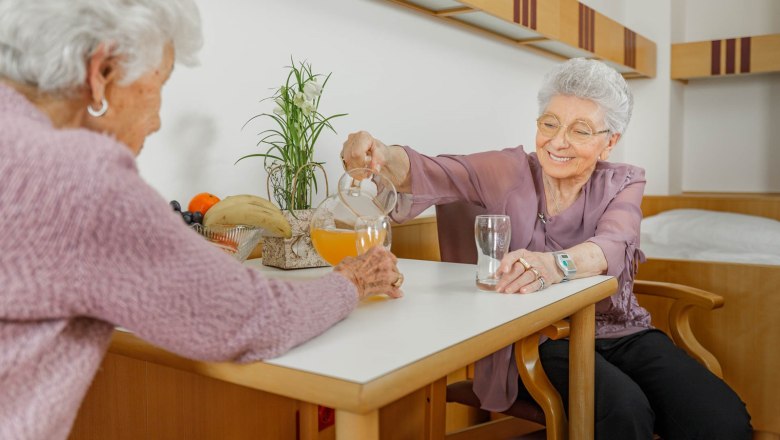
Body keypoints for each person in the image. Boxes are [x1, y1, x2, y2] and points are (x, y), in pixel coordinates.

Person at [0, 1, 403, 438]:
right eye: (160, 83)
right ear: (103, 71)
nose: (157, 121)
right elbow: (249, 317)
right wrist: (353, 280)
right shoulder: (76, 178)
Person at [340, 58, 752, 439]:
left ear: (609, 142)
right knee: (624, 410)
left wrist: (553, 266)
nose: (558, 141)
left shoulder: (623, 182)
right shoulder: (506, 170)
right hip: (534, 339)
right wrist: (381, 153)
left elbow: (613, 245)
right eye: (550, 123)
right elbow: (428, 170)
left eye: (581, 130)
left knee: (723, 421)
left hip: (620, 330)